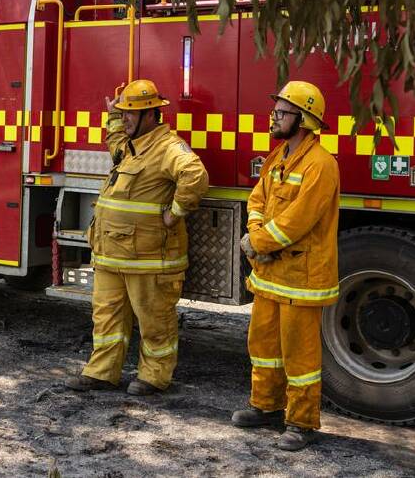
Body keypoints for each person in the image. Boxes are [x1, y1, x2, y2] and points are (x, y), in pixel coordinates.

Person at [65, 79, 209, 396]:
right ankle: (102, 372)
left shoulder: (168, 147)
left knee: (154, 320)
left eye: (130, 113)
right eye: (124, 113)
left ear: (150, 114)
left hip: (148, 258)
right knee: (106, 318)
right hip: (112, 255)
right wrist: (113, 117)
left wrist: (176, 212)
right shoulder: (131, 147)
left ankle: (154, 377)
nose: (126, 118)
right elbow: (116, 141)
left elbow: (195, 176)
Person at [231, 81, 340, 451]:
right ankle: (265, 406)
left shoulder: (321, 165)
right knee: (262, 345)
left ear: (304, 118)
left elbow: (299, 219)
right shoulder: (278, 157)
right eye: (275, 110)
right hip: (270, 274)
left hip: (301, 277)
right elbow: (257, 198)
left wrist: (259, 242)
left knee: (300, 355)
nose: (274, 117)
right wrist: (254, 230)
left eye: (282, 112)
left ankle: (301, 422)